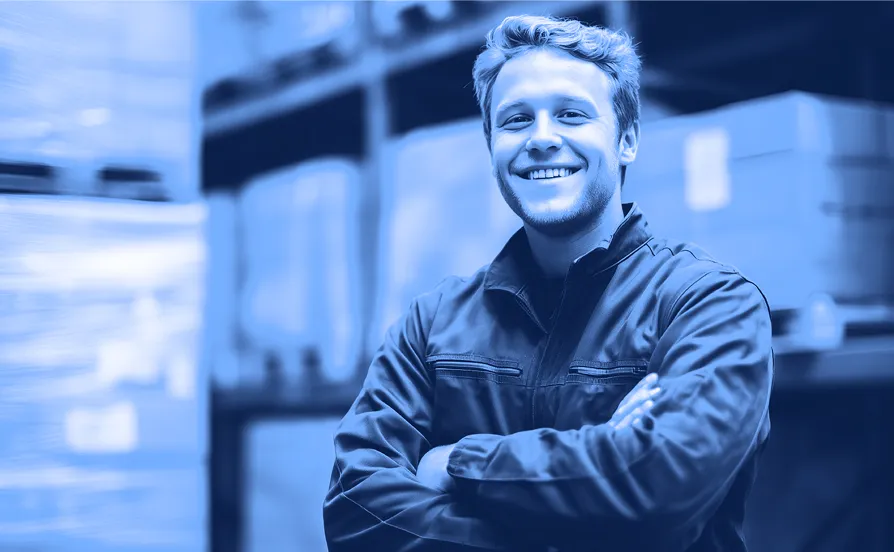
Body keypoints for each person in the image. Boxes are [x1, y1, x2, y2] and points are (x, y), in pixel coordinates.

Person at [323, 14, 773, 552]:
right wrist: (599, 468)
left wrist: (458, 462)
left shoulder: (708, 305)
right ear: (492, 145)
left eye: (571, 114)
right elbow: (355, 508)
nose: (541, 138)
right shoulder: (433, 323)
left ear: (627, 139)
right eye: (516, 120)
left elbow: (662, 487)